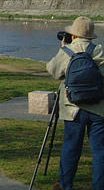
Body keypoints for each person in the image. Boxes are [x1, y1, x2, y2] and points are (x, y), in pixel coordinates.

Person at [46, 16, 104, 190]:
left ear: (73, 34)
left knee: (71, 149)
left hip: (73, 110)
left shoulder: (67, 51)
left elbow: (53, 71)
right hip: (98, 108)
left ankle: (66, 185)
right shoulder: (99, 51)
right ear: (90, 35)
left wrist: (63, 48)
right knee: (100, 151)